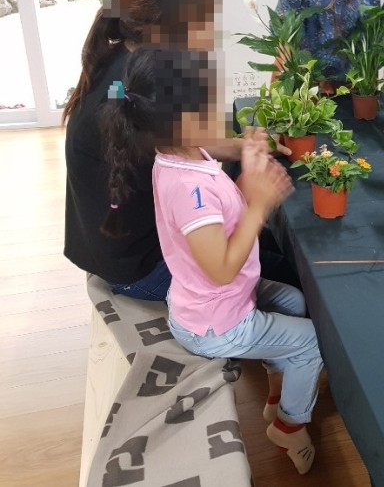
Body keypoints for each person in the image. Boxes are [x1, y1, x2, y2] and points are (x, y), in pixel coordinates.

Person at [99, 47, 323, 473]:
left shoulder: (182, 153)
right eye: (210, 101)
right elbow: (221, 269)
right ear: (184, 121)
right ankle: (290, 426)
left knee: (293, 300)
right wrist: (258, 204)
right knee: (311, 341)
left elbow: (219, 218)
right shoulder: (190, 189)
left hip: (221, 300)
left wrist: (247, 161)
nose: (219, 109)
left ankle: (277, 390)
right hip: (216, 325)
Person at [63, 0, 295, 300]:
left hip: (120, 244)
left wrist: (240, 146)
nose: (211, 33)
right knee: (291, 277)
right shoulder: (127, 94)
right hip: (140, 266)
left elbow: (178, 137)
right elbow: (216, 254)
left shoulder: (134, 65)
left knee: (273, 247)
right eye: (203, 22)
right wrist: (251, 200)